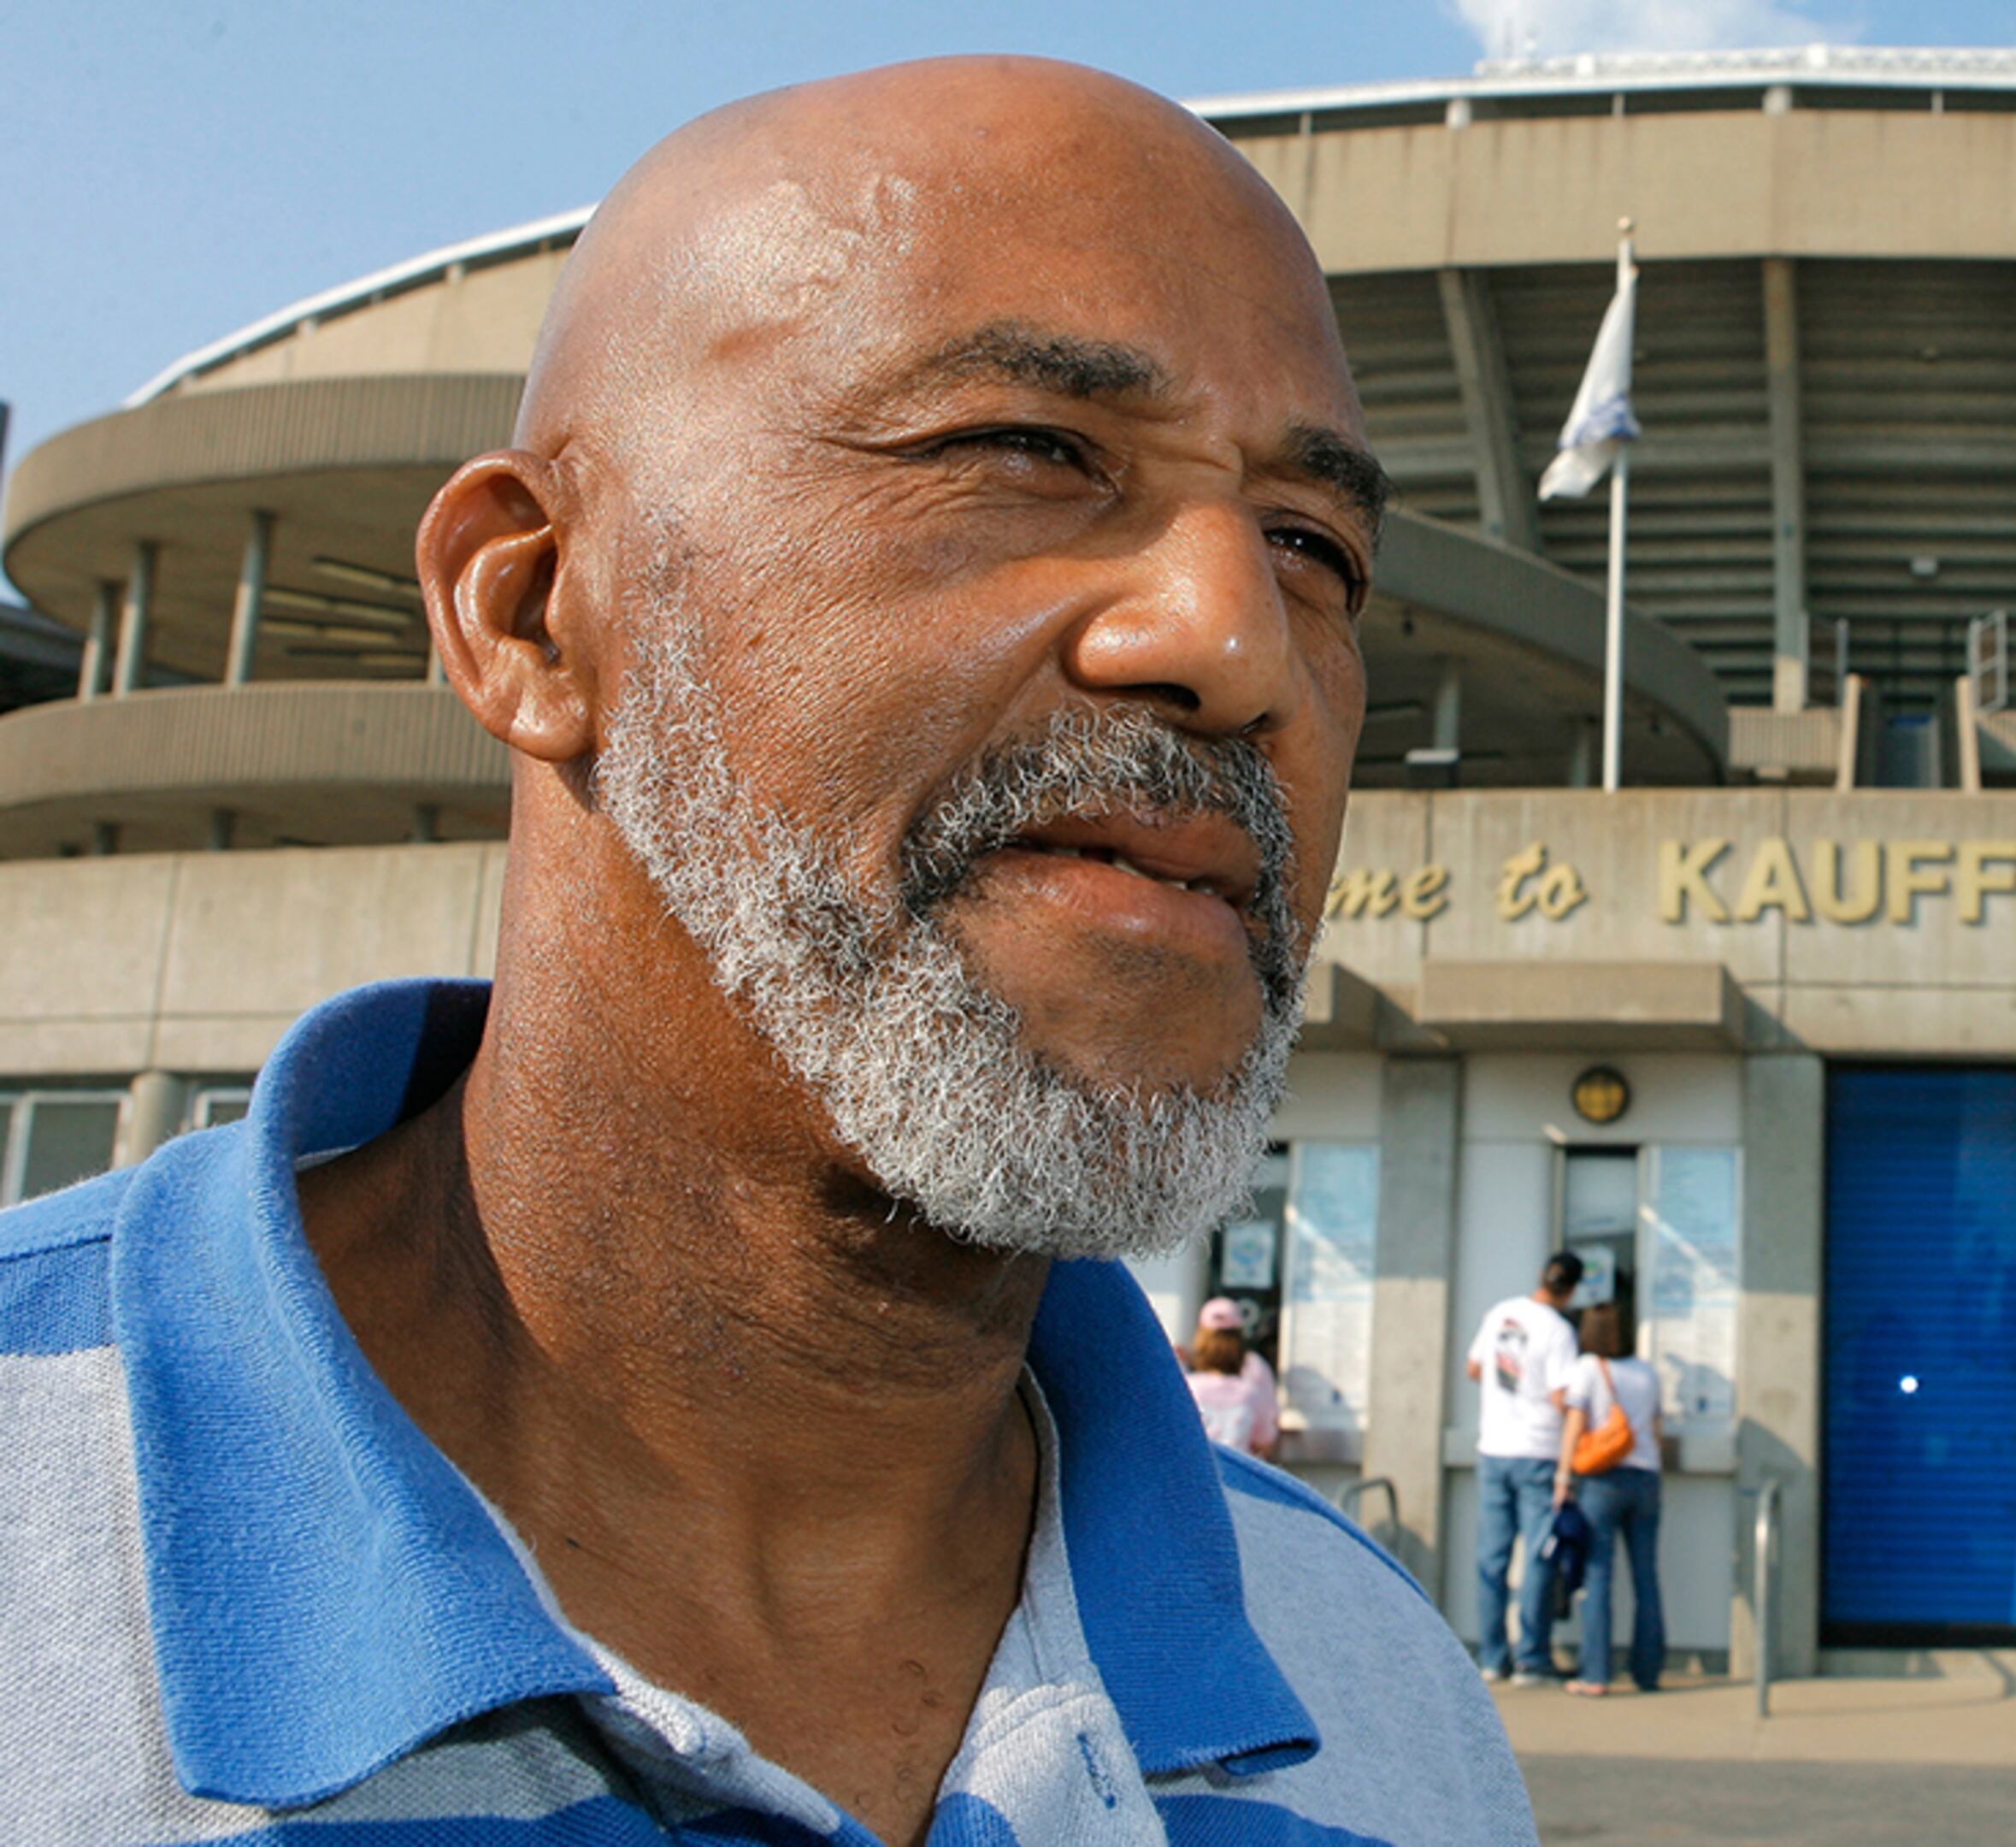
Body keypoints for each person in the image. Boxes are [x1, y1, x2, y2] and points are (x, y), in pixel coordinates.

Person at [0, 58, 1536, 1846]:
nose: (1238, 640)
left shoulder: (1383, 1707)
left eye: (1312, 545)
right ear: (531, 608)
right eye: (1028, 453)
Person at [1466, 1253, 1584, 1685]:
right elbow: (1561, 1397)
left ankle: (1493, 1658)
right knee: (1537, 1557)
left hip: (1493, 1447)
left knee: (1491, 1559)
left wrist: (1507, 1387)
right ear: (1572, 1290)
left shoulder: (1502, 1312)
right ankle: (1532, 1659)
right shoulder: (1559, 1330)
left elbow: (1475, 1367)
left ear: (1541, 1278)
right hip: (1538, 1451)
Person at [1556, 1301, 1669, 1697]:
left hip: (1602, 1481)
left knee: (1598, 1574)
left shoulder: (1588, 1369)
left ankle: (1596, 1674)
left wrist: (1563, 1477)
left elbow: (1574, 1426)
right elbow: (1656, 1430)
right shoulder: (1647, 1373)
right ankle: (1649, 1672)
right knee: (1646, 1577)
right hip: (1647, 1479)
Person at [1182, 1295, 1282, 1459]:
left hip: (1197, 1473)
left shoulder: (1188, 1386)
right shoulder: (1252, 1382)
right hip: (1237, 1476)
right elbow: (1266, 1439)